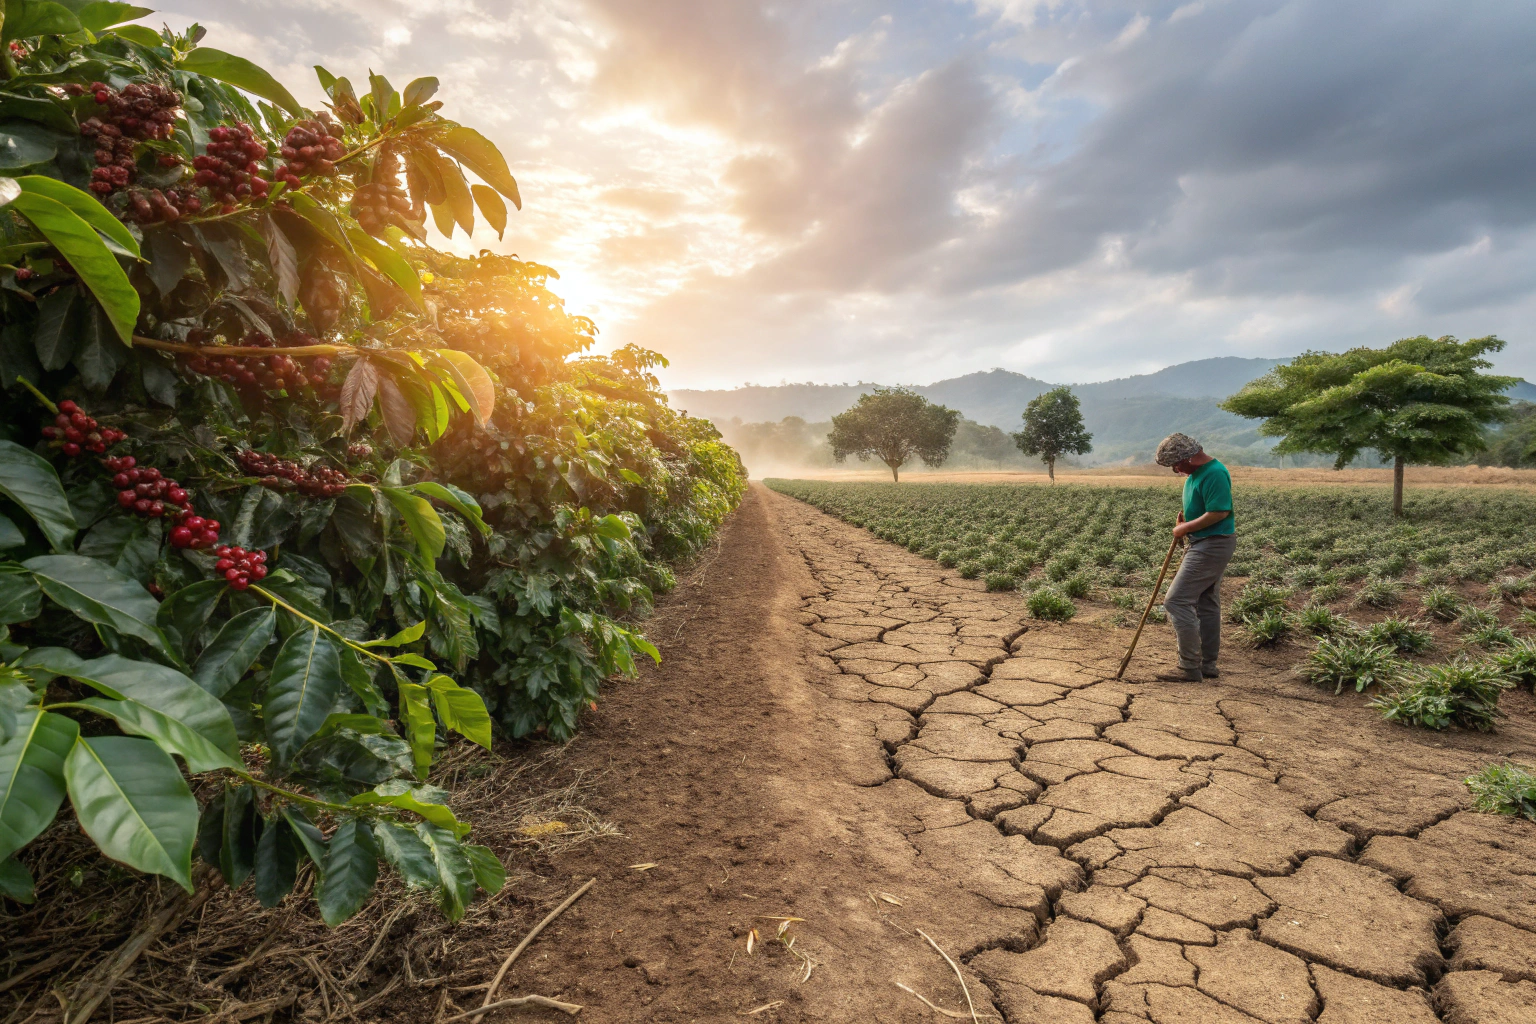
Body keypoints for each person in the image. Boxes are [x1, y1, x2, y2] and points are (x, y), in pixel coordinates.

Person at [1153, 433, 1235, 682]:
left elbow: (1219, 512)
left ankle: (1189, 667)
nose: (1176, 470)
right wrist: (1186, 523)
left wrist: (1185, 529)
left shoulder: (1214, 473)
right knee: (1206, 603)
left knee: (1176, 601)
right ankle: (1207, 664)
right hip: (1204, 542)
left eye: (1176, 465)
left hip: (1212, 545)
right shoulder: (1196, 474)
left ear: (1188, 457)